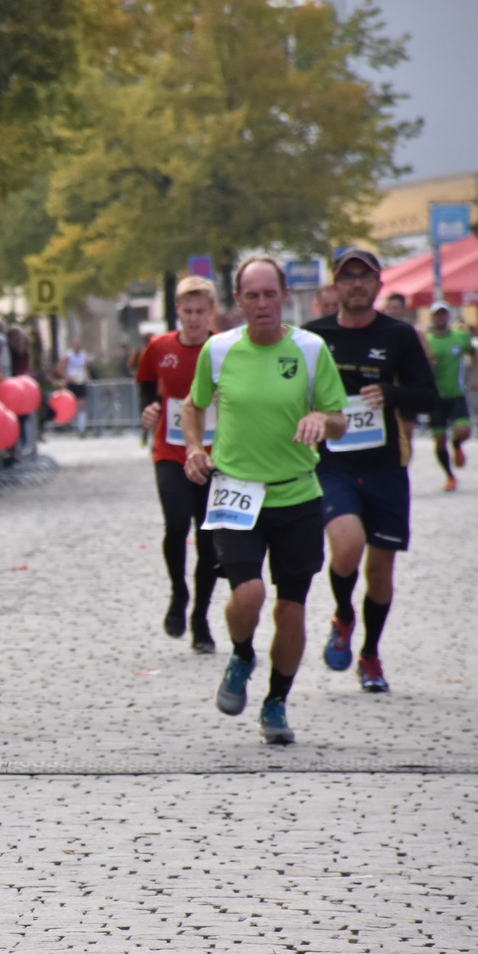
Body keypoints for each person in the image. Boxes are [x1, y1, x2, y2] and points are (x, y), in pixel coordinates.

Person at [182, 257, 347, 745]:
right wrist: (194, 448)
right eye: (251, 296)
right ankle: (241, 654)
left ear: (283, 297)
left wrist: (322, 420)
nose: (261, 305)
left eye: (269, 294)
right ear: (238, 301)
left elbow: (337, 416)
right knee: (249, 594)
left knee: (290, 609)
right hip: (237, 490)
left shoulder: (311, 350)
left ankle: (276, 702)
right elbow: (193, 405)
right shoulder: (218, 350)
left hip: (297, 491)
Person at [304, 248, 438, 695]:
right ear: (334, 287)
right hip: (333, 463)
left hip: (385, 466)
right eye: (347, 277)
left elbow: (428, 396)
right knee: (347, 545)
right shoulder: (312, 337)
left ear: (378, 284)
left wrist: (390, 393)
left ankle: (370, 653)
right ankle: (343, 614)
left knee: (380, 571)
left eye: (364, 277)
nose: (356, 284)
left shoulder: (399, 336)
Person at [136, 276, 222, 652]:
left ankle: (201, 618)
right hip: (170, 449)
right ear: (177, 312)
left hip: (214, 452)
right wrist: (150, 409)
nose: (193, 319)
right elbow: (145, 383)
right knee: (175, 524)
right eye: (187, 312)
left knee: (209, 539)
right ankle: (179, 591)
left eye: (200, 312)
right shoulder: (159, 347)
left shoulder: (223, 349)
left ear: (212, 312)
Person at [424, 301, 476, 491]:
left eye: (443, 314)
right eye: (437, 315)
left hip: (456, 393)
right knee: (439, 440)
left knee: (463, 430)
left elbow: (474, 353)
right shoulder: (427, 340)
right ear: (431, 318)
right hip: (435, 397)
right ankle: (449, 475)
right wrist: (428, 364)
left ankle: (457, 445)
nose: (440, 318)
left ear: (448, 316)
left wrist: (476, 376)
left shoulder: (460, 337)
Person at [56, 342, 91, 434]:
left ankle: (81, 428)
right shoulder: (68, 355)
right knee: (70, 404)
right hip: (71, 382)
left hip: (80, 382)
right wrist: (66, 377)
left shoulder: (83, 356)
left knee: (82, 404)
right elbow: (59, 368)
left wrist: (87, 378)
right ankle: (67, 426)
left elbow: (85, 368)